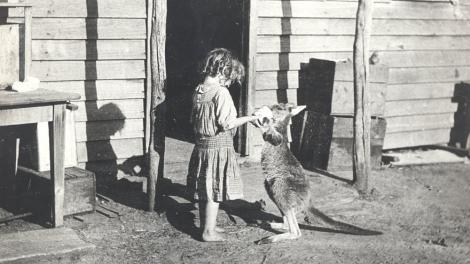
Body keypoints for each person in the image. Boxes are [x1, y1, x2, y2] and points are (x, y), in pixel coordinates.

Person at [187, 48, 265, 242]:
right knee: (215, 191)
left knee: (206, 190)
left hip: (202, 147)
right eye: (230, 79)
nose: (230, 84)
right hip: (218, 148)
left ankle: (209, 226)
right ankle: (208, 232)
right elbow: (227, 123)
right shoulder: (220, 92)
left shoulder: (199, 90)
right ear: (223, 71)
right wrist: (250, 118)